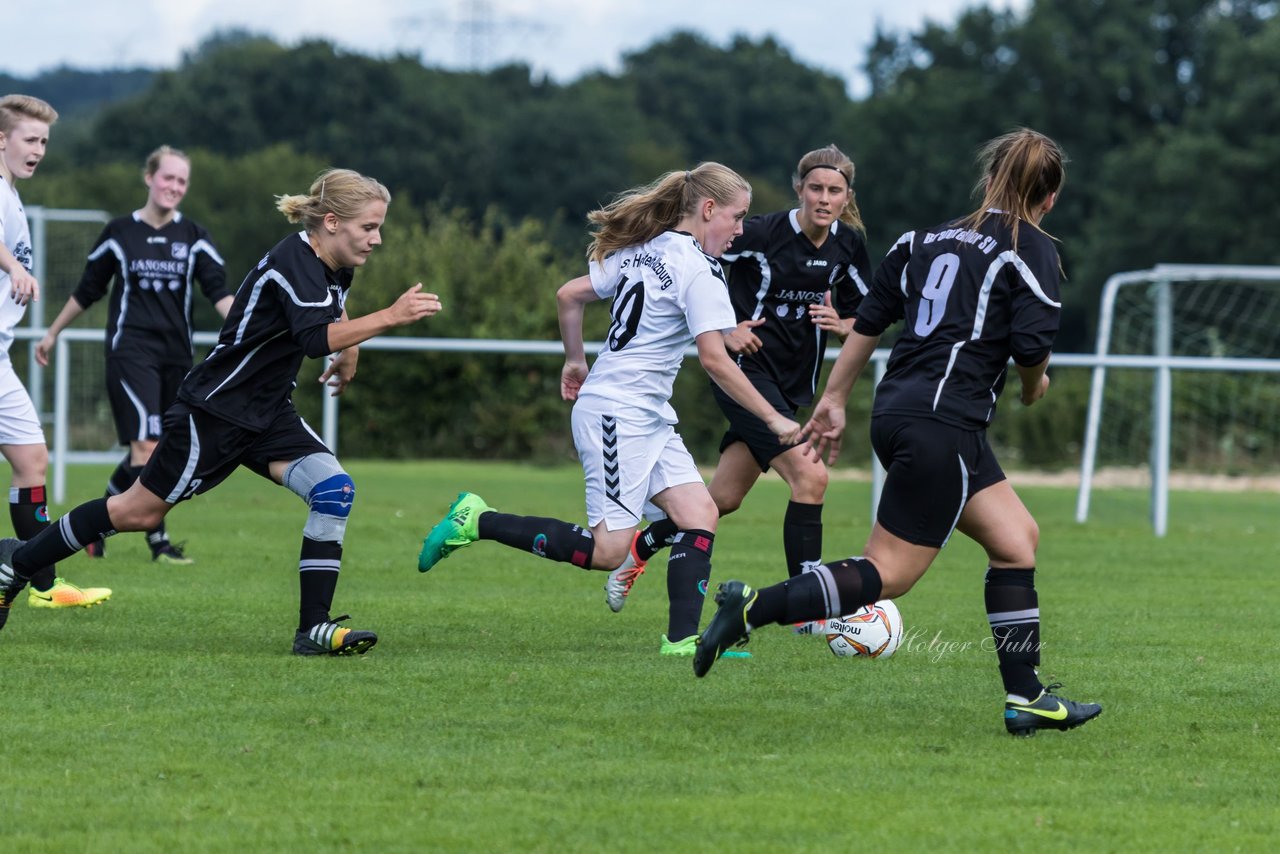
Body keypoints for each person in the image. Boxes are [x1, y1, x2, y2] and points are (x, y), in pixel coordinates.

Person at [692, 129, 1103, 737]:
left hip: (901, 412)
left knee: (1017, 538)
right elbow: (1031, 348)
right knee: (890, 573)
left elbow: (871, 320)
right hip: (946, 423)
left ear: (989, 180)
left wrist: (834, 397)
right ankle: (752, 608)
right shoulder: (1032, 248)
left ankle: (1027, 698)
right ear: (1048, 199)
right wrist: (1034, 382)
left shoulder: (922, 238)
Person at [0, 168, 443, 652]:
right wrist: (391, 317)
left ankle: (313, 629)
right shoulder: (292, 260)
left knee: (334, 490)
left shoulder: (336, 261)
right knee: (137, 513)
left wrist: (353, 344)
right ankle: (14, 566)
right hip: (215, 413)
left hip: (269, 414)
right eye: (369, 228)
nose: (377, 239)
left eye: (380, 227)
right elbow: (315, 339)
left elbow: (333, 308)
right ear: (332, 222)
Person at [416, 162, 799, 656]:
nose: (741, 230)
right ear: (708, 210)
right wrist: (773, 418)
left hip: (645, 414)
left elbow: (568, 295)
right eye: (737, 217)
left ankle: (682, 641)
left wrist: (576, 360)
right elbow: (715, 361)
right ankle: (476, 520)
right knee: (608, 551)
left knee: (699, 512)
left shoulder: (647, 248)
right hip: (618, 414)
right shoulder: (701, 270)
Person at [614, 144, 871, 600]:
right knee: (811, 478)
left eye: (835, 190)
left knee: (721, 501)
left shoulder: (847, 245)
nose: (824, 198)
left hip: (793, 387)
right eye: (815, 188)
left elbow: (867, 316)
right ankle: (807, 606)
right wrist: (725, 327)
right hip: (745, 376)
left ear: (847, 197)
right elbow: (692, 260)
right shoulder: (759, 234)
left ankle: (643, 543)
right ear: (799, 189)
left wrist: (844, 324)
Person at [36, 145, 234, 566]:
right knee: (146, 448)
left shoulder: (194, 237)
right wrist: (52, 333)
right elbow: (88, 289)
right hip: (130, 352)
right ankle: (157, 541)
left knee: (165, 451)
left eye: (182, 181)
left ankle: (97, 521)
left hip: (178, 359)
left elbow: (219, 293)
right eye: (168, 178)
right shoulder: (119, 234)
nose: (174, 187)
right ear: (149, 178)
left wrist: (252, 330)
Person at [0, 94, 111, 612]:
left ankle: (43, 586)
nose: (39, 149)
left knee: (32, 460)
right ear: (1, 139)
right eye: (30, 138)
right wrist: (14, 267)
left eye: (44, 141)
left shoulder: (12, 193)